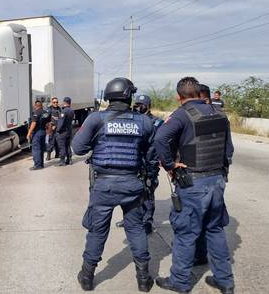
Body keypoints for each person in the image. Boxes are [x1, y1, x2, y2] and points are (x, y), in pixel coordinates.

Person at [72, 78, 155, 292]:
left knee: (97, 232)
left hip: (104, 186)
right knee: (136, 229)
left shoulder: (96, 119)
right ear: (129, 96)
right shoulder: (144, 122)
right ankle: (144, 280)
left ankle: (88, 277)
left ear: (108, 96)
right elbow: (150, 154)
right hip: (132, 184)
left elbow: (78, 149)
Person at [154, 77, 234, 294]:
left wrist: (170, 165)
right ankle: (225, 281)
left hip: (193, 183)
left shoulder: (181, 114)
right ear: (200, 93)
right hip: (216, 180)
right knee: (215, 230)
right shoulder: (220, 113)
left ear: (178, 97)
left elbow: (160, 139)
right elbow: (229, 150)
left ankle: (179, 282)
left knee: (185, 233)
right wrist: (221, 174)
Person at [116, 94, 163, 234]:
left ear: (148, 106)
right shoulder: (132, 121)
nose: (137, 107)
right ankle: (129, 219)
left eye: (141, 105)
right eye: (136, 104)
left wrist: (154, 164)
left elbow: (159, 144)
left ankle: (147, 221)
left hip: (149, 163)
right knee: (129, 194)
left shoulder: (157, 123)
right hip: (132, 163)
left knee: (147, 193)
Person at [26, 101, 50, 170]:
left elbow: (33, 123)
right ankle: (41, 164)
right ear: (41, 105)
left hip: (37, 132)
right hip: (43, 131)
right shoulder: (46, 112)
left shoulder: (36, 113)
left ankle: (37, 165)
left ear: (35, 106)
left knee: (36, 149)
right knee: (41, 148)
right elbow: (48, 122)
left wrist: (29, 133)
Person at [56, 97, 75, 166]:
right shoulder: (71, 110)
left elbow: (61, 122)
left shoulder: (64, 111)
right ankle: (69, 159)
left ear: (64, 102)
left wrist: (58, 130)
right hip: (69, 130)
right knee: (67, 145)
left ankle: (62, 161)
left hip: (63, 131)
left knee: (62, 146)